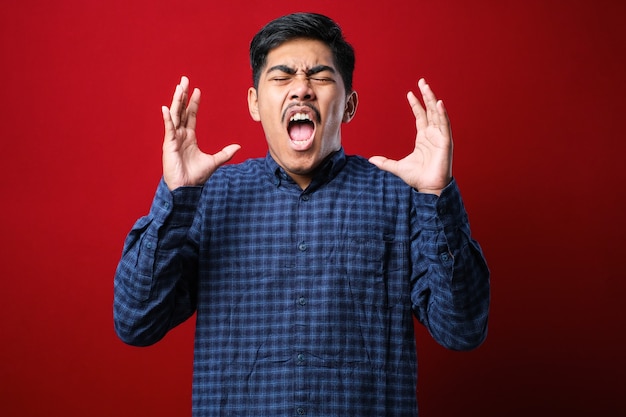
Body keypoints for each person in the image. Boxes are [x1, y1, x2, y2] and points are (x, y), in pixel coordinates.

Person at [114, 12, 490, 417]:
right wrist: (177, 196)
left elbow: (462, 329)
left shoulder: (400, 196)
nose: (301, 90)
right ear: (255, 103)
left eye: (320, 77)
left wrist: (436, 195)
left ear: (349, 105)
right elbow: (136, 323)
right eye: (281, 77)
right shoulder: (209, 197)